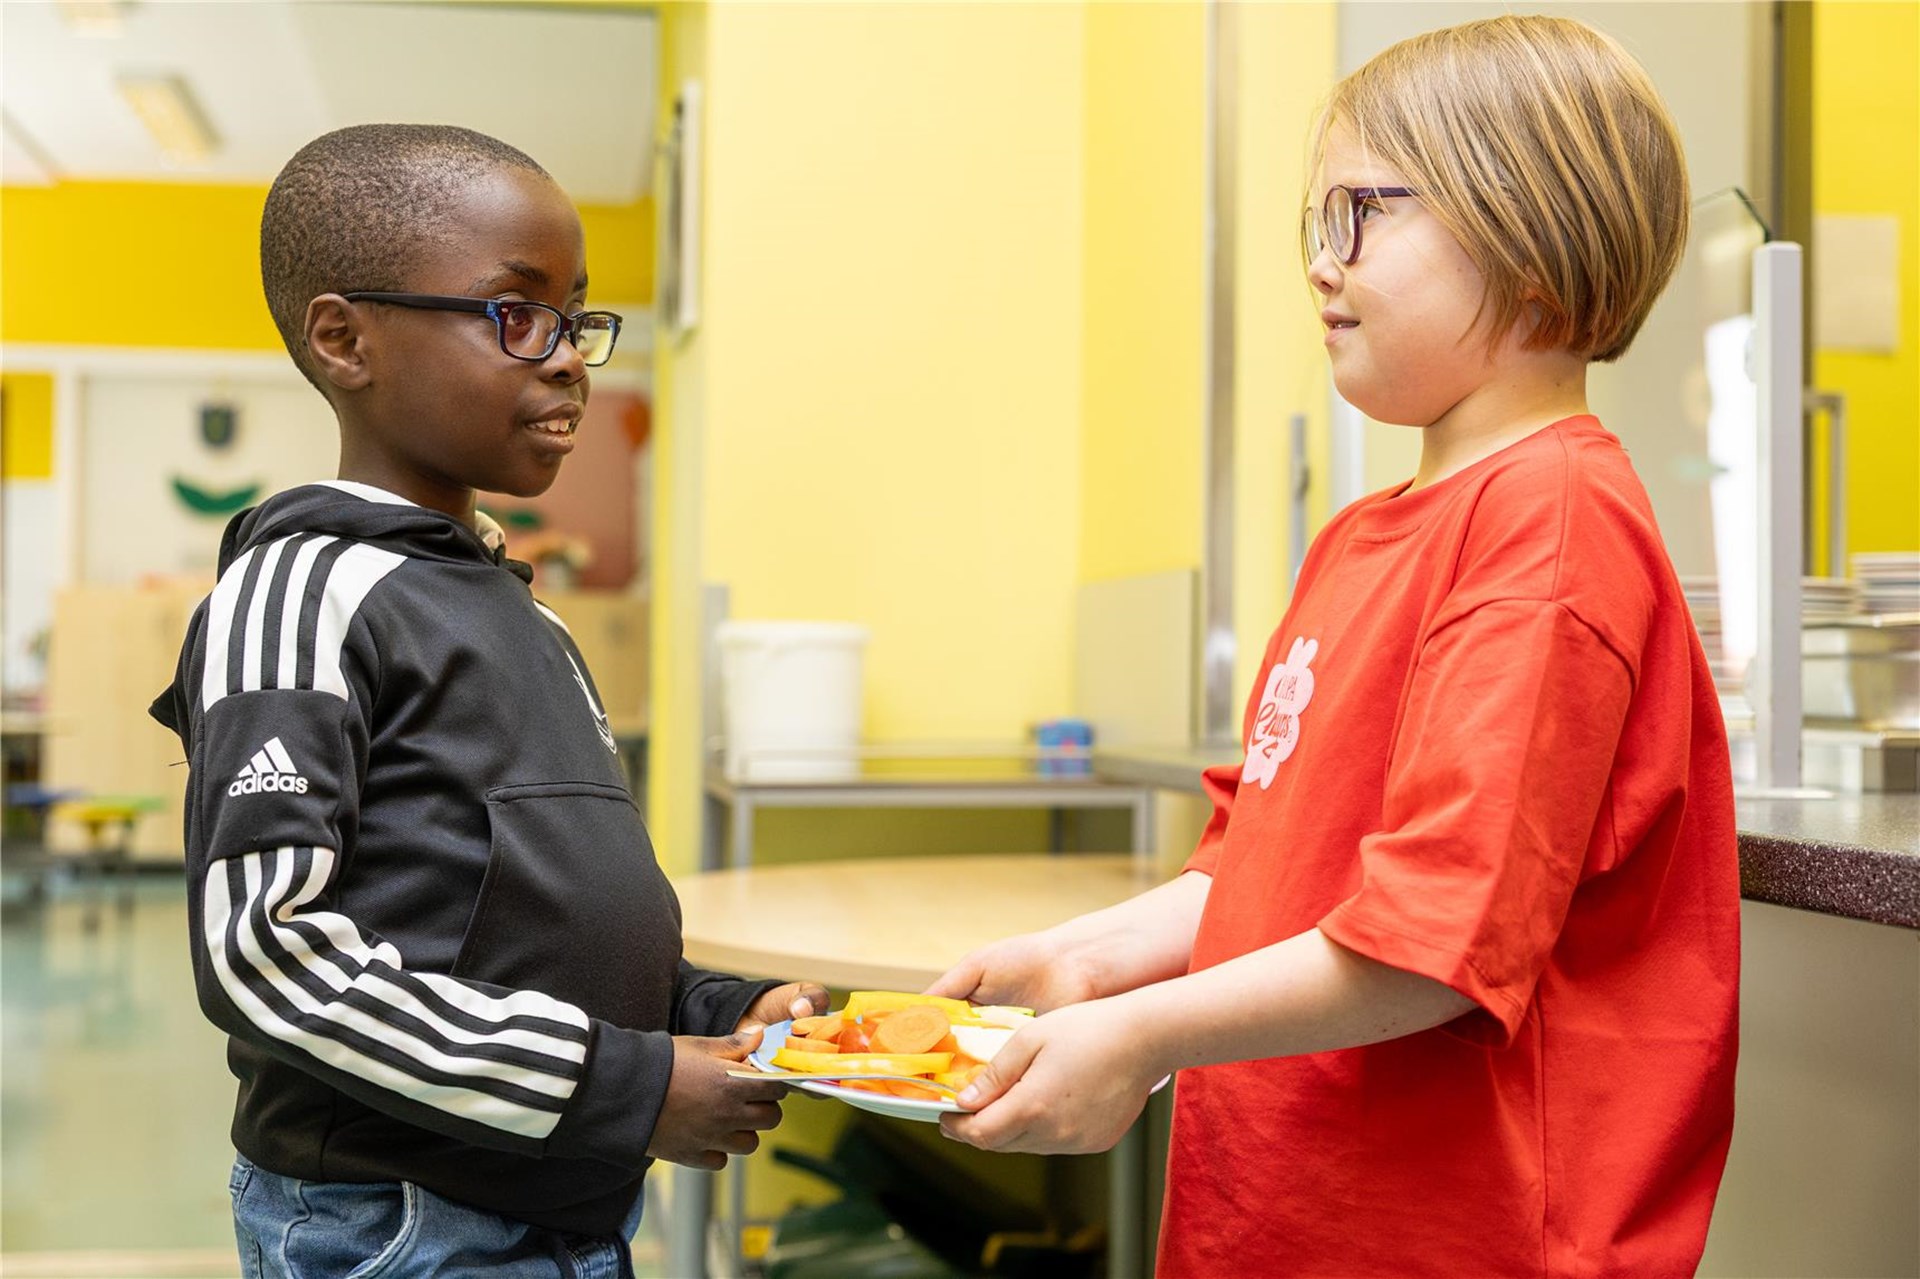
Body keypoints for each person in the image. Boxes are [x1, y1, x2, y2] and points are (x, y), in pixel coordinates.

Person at [931, 16, 1739, 1276]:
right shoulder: (1362, 538)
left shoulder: (1551, 529)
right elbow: (1258, 873)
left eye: (1364, 212)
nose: (1322, 261)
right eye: (1320, 219)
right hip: (1281, 1217)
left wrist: (1140, 1037)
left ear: (1529, 241)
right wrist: (1084, 961)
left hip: (1454, 1243)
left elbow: (1432, 950)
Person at [149, 124, 822, 1277]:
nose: (568, 361)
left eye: (576, 319)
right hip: (402, 1225)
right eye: (517, 313)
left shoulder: (528, 617)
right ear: (345, 339)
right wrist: (625, 1086)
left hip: (571, 1215)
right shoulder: (299, 589)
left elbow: (524, 920)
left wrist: (712, 1008)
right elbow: (269, 955)